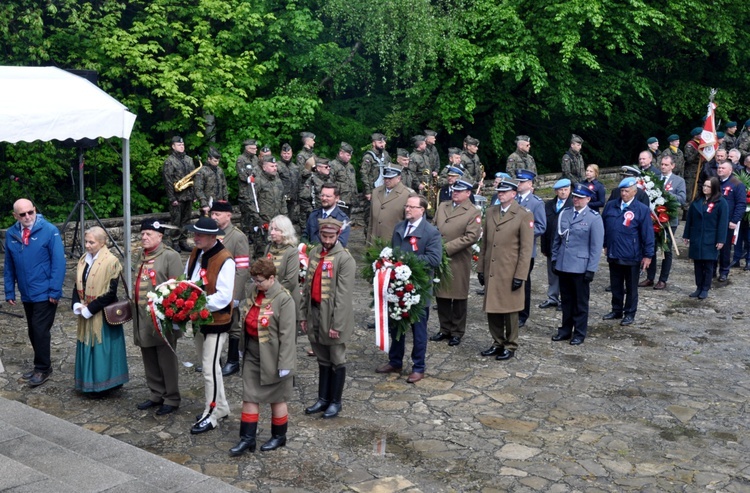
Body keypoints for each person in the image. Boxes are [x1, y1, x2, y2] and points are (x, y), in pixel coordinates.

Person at [229, 258, 297, 456]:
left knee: (277, 398)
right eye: (254, 280)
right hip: (253, 351)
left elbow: (287, 334)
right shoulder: (253, 290)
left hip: (274, 356)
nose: (256, 284)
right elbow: (246, 318)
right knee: (249, 395)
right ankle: (247, 439)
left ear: (272, 278)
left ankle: (279, 436)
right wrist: (242, 346)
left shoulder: (284, 299)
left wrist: (285, 363)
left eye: (259, 281)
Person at [376, 195, 442, 382]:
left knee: (418, 330)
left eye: (412, 207)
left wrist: (406, 262)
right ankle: (395, 361)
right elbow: (393, 251)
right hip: (398, 287)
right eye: (407, 206)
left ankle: (418, 366)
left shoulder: (431, 232)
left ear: (422, 210)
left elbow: (434, 259)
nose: (408, 210)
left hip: (418, 289)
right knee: (397, 325)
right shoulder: (399, 227)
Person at [4, 199, 66, 387]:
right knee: (33, 330)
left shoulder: (49, 230)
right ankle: (40, 365)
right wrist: (9, 290)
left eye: (30, 212)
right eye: (22, 214)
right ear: (16, 216)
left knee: (40, 330)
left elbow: (58, 263)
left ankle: (43, 368)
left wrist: (55, 290)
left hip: (45, 291)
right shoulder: (12, 233)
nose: (27, 217)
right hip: (26, 292)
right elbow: (9, 264)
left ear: (35, 210)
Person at [184, 217, 236, 434]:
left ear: (213, 237)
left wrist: (195, 305)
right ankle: (221, 407)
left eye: (200, 235)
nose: (195, 237)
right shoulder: (196, 253)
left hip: (216, 321)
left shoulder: (225, 259)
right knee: (209, 367)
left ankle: (212, 413)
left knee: (209, 369)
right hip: (198, 318)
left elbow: (224, 297)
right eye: (194, 233)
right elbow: (189, 280)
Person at [301, 218, 356, 418]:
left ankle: (335, 401)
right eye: (323, 236)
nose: (326, 240)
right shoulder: (315, 252)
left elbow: (343, 295)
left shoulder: (345, 259)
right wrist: (303, 314)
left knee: (336, 359)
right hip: (314, 311)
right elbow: (307, 286)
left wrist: (337, 324)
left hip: (332, 315)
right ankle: (322, 399)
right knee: (322, 357)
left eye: (331, 236)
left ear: (338, 235)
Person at [477, 180, 533, 361]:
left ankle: (510, 344)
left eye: (504, 191)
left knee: (510, 310)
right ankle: (497, 342)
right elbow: (484, 243)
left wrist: (520, 275)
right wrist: (480, 268)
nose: (500, 194)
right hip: (492, 269)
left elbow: (526, 250)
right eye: (499, 191)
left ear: (513, 194)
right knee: (492, 308)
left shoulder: (524, 215)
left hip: (510, 270)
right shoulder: (492, 211)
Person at [133, 219, 183, 415]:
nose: (144, 237)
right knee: (148, 354)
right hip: (142, 315)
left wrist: (175, 318)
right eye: (142, 233)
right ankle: (156, 393)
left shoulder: (171, 256)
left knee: (166, 358)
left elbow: (179, 289)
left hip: (162, 316)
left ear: (160, 236)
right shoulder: (142, 256)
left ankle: (171, 397)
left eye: (149, 234)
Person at [71, 226, 129, 393]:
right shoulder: (83, 259)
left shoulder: (111, 262)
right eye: (86, 241)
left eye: (91, 242)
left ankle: (107, 384)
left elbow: (110, 293)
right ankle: (88, 383)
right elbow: (77, 284)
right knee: (87, 345)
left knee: (103, 348)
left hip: (101, 314)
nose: (87, 245)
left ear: (103, 243)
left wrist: (90, 309)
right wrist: (77, 304)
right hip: (85, 309)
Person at [550, 184, 604, 345]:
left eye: (580, 198)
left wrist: (591, 269)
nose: (576, 200)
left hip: (581, 266)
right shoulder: (565, 214)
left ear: (588, 199)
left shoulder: (593, 218)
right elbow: (557, 239)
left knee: (580, 302)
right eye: (574, 197)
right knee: (566, 301)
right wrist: (554, 259)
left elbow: (596, 247)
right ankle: (565, 330)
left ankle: (579, 332)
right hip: (564, 263)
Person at [430, 180, 482, 346]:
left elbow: (471, 236)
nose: (455, 193)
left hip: (458, 258)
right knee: (442, 293)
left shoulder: (473, 211)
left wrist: (446, 248)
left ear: (468, 193)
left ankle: (457, 331)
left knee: (458, 296)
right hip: (439, 256)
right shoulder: (443, 206)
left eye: (460, 191)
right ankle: (444, 328)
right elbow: (433, 227)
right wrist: (433, 244)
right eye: (454, 190)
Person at [601, 177, 655, 326]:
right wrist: (605, 244)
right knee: (616, 283)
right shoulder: (611, 206)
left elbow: (647, 234)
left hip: (632, 254)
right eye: (622, 191)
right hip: (614, 252)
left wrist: (648, 255)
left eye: (626, 191)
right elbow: (604, 227)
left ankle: (630, 312)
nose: (623, 194)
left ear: (634, 192)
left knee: (631, 287)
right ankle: (616, 309)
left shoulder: (641, 210)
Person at [208, 201, 250, 377]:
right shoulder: (211, 234)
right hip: (212, 289)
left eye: (218, 214)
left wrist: (236, 295)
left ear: (229, 215)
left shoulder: (237, 237)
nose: (214, 217)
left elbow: (242, 268)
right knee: (212, 323)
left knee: (233, 324)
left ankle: (233, 361)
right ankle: (213, 359)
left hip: (230, 289)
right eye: (212, 214)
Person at [640, 155, 686, 290]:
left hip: (668, 221)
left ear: (672, 166)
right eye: (662, 164)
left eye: (666, 165)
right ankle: (650, 277)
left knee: (666, 249)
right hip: (653, 219)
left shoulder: (679, 181)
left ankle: (663, 279)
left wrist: (664, 194)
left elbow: (682, 199)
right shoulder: (654, 178)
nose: (663, 167)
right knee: (651, 247)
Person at [682, 177, 729, 299]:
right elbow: (689, 220)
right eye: (704, 186)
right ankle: (698, 286)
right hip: (697, 237)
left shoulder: (721, 202)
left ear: (714, 188)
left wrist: (721, 240)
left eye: (708, 186)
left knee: (708, 265)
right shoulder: (697, 201)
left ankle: (705, 288)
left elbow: (723, 223)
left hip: (711, 237)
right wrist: (686, 235)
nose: (705, 188)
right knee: (697, 264)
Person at [514, 169, 546, 328]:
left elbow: (541, 226)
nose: (518, 184)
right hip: (510, 249)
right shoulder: (513, 199)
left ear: (530, 184)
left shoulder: (536, 203)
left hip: (526, 250)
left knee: (523, 281)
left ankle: (523, 314)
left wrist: (524, 233)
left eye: (521, 182)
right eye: (517, 181)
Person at [539, 179, 573, 311]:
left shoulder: (572, 204)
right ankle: (552, 297)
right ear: (556, 191)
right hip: (550, 244)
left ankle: (565, 300)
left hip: (565, 246)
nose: (563, 192)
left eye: (566, 189)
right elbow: (544, 227)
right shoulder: (549, 205)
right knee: (552, 273)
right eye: (561, 190)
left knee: (565, 275)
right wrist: (544, 247)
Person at [265, 215, 300, 328]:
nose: (272, 232)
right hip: (268, 298)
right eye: (272, 229)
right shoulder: (268, 248)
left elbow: (291, 280)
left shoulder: (292, 251)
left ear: (285, 231)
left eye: (277, 230)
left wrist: (272, 292)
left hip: (285, 298)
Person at [249, 155, 287, 258]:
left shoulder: (278, 180)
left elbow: (282, 199)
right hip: (264, 222)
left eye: (275, 166)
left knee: (277, 250)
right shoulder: (258, 181)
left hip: (277, 222)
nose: (275, 168)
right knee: (262, 252)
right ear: (264, 167)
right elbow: (251, 201)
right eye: (272, 166)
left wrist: (284, 216)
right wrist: (258, 220)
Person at [715, 160, 747, 282]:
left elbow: (741, 204)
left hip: (728, 222)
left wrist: (734, 220)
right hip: (713, 221)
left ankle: (724, 271)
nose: (720, 169)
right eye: (719, 167)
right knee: (712, 246)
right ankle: (711, 270)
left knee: (725, 248)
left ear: (730, 170)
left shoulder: (737, 184)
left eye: (723, 168)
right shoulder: (714, 182)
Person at [163, 136, 196, 252]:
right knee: (176, 220)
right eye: (179, 145)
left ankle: (183, 241)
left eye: (182, 145)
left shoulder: (189, 159)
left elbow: (193, 177)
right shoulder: (169, 161)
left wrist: (194, 195)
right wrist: (172, 198)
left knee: (186, 220)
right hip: (177, 196)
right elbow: (168, 181)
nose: (182, 146)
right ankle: (175, 242)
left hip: (188, 195)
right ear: (173, 146)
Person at [368, 165, 410, 243]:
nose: (387, 180)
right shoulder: (376, 192)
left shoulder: (407, 195)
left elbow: (409, 224)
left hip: (393, 243)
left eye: (390, 178)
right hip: (374, 243)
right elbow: (371, 221)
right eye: (385, 178)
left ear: (398, 178)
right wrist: (368, 243)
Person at [360, 133, 391, 236]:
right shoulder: (368, 157)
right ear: (374, 143)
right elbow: (364, 174)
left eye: (384, 142)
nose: (383, 144)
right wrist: (368, 192)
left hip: (385, 188)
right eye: (380, 142)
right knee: (370, 216)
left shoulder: (386, 155)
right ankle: (368, 238)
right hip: (373, 189)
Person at [194, 147, 228, 216]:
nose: (217, 163)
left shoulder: (219, 170)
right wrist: (204, 204)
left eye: (218, 161)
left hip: (219, 203)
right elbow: (198, 189)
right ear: (209, 159)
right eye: (215, 161)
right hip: (207, 204)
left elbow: (224, 186)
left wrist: (226, 201)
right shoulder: (202, 171)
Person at [299, 157, 332, 228]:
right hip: (314, 218)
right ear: (319, 168)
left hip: (327, 216)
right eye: (326, 167)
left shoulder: (329, 180)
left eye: (329, 166)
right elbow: (303, 198)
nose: (329, 168)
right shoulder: (312, 180)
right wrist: (312, 212)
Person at [237, 139, 259, 235]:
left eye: (256, 148)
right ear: (248, 148)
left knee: (254, 214)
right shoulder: (241, 159)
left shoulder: (255, 159)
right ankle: (245, 234)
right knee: (246, 215)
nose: (256, 150)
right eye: (253, 148)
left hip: (255, 191)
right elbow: (242, 175)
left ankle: (253, 234)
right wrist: (249, 178)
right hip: (245, 192)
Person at [329, 142, 358, 209]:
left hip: (351, 200)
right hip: (339, 200)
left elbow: (354, 182)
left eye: (350, 156)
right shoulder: (333, 165)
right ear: (341, 153)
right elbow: (330, 183)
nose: (350, 157)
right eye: (348, 155)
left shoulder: (350, 166)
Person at [278, 143, 301, 226]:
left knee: (290, 220)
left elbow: (299, 182)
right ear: (281, 154)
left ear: (291, 154)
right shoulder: (277, 166)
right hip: (281, 198)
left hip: (292, 198)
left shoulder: (295, 167)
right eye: (284, 153)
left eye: (288, 154)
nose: (286, 155)